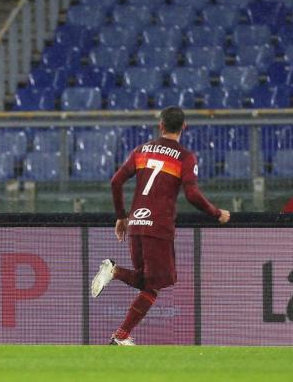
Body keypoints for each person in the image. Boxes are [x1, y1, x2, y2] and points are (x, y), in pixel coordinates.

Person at [91, 106, 230, 345]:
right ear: (183, 127)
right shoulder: (185, 157)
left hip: (136, 224)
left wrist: (121, 217)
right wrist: (216, 213)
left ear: (161, 126)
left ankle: (120, 327)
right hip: (158, 227)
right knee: (154, 285)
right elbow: (193, 194)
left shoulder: (141, 150)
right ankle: (120, 325)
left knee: (147, 281)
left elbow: (116, 182)